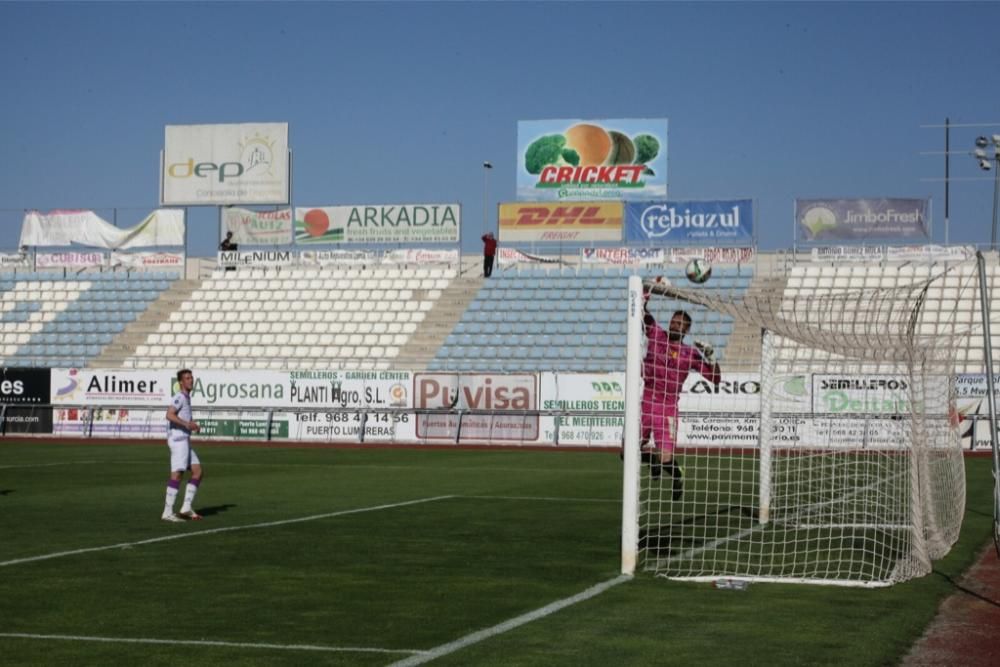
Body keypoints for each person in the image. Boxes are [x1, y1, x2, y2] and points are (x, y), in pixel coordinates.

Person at [641, 287, 720, 499]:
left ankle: (676, 476)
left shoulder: (690, 353)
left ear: (686, 330)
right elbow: (641, 313)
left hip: (667, 408)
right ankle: (653, 462)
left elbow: (715, 379)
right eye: (673, 321)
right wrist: (648, 291)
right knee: (627, 453)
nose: (674, 325)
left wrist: (711, 358)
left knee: (667, 457)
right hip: (645, 402)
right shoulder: (657, 334)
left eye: (679, 324)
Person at [162, 369, 203, 521]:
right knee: (177, 475)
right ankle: (167, 512)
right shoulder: (179, 397)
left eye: (191, 378)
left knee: (197, 471)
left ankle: (186, 507)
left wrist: (192, 426)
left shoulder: (186, 397)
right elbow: (169, 414)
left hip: (185, 440)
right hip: (179, 441)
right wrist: (187, 424)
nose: (191, 380)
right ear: (180, 382)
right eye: (187, 378)